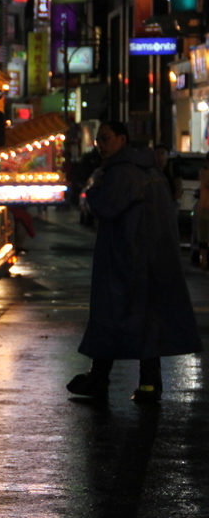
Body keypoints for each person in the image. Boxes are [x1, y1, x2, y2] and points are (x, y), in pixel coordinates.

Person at [66, 121, 201, 403]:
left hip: (124, 257)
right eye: (99, 139)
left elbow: (104, 207)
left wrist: (93, 190)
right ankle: (149, 382)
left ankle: (99, 378)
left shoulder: (120, 173)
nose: (100, 144)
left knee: (109, 314)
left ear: (122, 140)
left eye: (105, 139)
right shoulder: (152, 171)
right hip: (156, 257)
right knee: (148, 320)